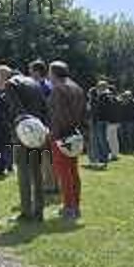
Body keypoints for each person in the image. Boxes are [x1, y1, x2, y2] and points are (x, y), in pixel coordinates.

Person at [0, 65, 48, 222]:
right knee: (36, 171)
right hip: (38, 130)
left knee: (23, 172)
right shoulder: (34, 82)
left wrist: (20, 130)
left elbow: (17, 110)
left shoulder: (10, 84)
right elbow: (44, 107)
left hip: (24, 132)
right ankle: (39, 210)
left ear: (3, 75)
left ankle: (26, 211)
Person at [47, 61, 86, 220]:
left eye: (49, 72)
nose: (48, 75)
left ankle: (69, 207)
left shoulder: (58, 89)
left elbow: (59, 115)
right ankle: (74, 205)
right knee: (72, 171)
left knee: (64, 173)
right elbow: (83, 111)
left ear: (53, 73)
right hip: (75, 133)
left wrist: (53, 135)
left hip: (62, 135)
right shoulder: (76, 87)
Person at [29, 59, 57, 194]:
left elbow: (45, 108)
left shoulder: (43, 87)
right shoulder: (48, 85)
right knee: (47, 156)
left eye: (31, 71)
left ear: (36, 72)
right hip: (47, 124)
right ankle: (52, 183)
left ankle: (49, 184)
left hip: (44, 125)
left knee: (46, 156)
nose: (29, 73)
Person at [88, 81, 111, 168]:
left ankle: (104, 159)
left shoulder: (106, 96)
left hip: (101, 120)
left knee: (102, 140)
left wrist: (94, 101)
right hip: (97, 120)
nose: (97, 88)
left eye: (99, 87)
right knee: (98, 140)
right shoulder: (100, 96)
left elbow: (100, 108)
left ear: (103, 87)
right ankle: (100, 158)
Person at [105, 88, 121, 161]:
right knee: (113, 139)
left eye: (109, 93)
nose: (108, 95)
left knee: (111, 139)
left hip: (112, 122)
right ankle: (114, 153)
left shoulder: (114, 101)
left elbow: (116, 113)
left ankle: (113, 154)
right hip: (114, 122)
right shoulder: (117, 101)